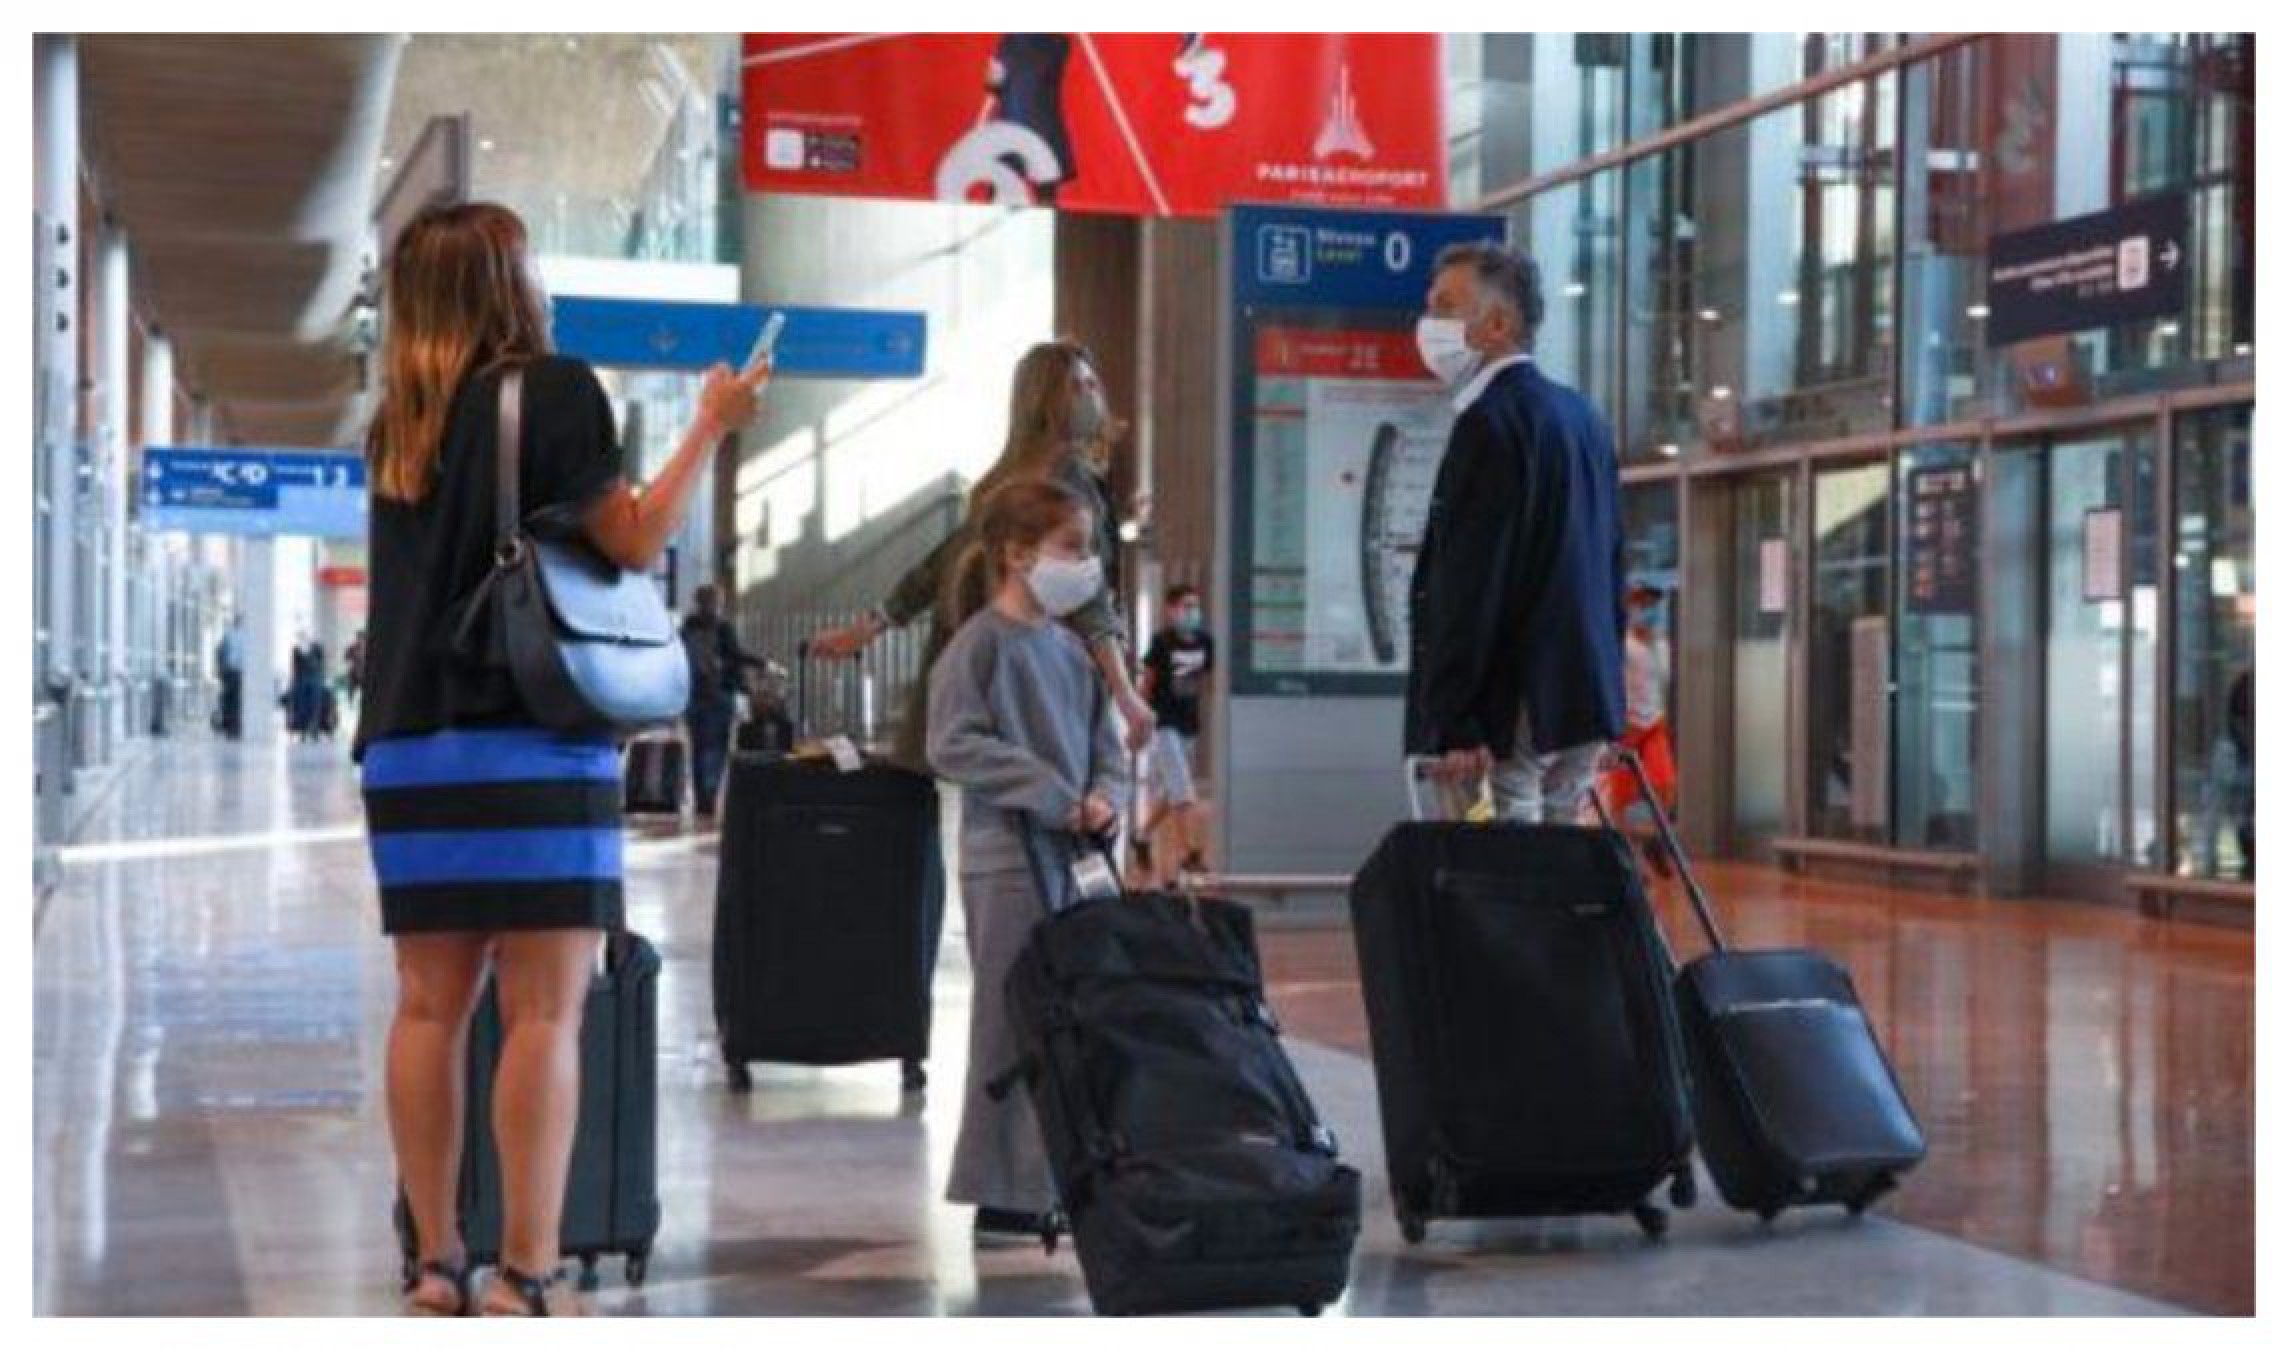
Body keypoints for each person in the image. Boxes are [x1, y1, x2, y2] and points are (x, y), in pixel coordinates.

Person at [355, 201, 766, 1316]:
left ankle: (436, 1262)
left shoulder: (398, 419)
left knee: (427, 1007)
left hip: (406, 742)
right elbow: (630, 538)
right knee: (544, 1010)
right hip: (532, 732)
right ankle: (524, 1275)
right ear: (509, 281)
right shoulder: (558, 390)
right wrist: (711, 424)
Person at [925, 479, 1125, 1245]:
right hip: (1006, 863)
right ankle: (1000, 1190)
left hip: (1074, 858)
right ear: (1016, 554)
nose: (1086, 564)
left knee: (1070, 1017)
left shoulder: (1070, 651)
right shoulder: (978, 646)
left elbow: (1107, 748)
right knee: (1009, 1023)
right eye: (1072, 547)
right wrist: (1052, 794)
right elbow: (954, 742)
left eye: (1088, 548)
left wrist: (1103, 795)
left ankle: (1057, 1175)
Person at [812, 340, 1155, 768]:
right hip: (1037, 672)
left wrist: (869, 628)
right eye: (1075, 386)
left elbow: (942, 567)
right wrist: (1124, 690)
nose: (1091, 396)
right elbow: (1089, 594)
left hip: (1010, 671)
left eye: (1092, 384)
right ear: (1044, 398)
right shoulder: (1061, 483)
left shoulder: (1008, 479)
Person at [1405, 241, 1625, 823]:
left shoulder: (1490, 424)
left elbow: (1471, 580)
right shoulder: (1584, 418)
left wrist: (1454, 716)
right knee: (1563, 856)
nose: (1429, 324)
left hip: (1517, 693)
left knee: (1508, 856)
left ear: (1498, 324)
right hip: (1584, 685)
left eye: (1446, 307)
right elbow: (1609, 561)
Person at [1596, 584, 1678, 875]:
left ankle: (1653, 838)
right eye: (1642, 602)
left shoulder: (1662, 645)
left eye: (1653, 603)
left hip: (1653, 723)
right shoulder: (1618, 642)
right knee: (1615, 798)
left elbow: (1661, 685)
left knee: (1666, 785)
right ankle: (1629, 859)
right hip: (1623, 727)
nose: (1649, 609)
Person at [1137, 584, 1214, 886]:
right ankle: (1190, 854)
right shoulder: (1161, 643)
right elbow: (1148, 682)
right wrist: (1141, 719)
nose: (1191, 612)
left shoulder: (1206, 641)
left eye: (1195, 605)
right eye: (1184, 606)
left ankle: (1141, 836)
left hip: (1189, 724)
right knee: (1183, 791)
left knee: (1171, 792)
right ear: (1170, 610)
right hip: (1164, 722)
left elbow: (1208, 679)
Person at [678, 583, 768, 816]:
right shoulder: (722, 627)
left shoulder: (686, 628)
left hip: (692, 696)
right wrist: (762, 665)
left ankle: (701, 800)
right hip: (718, 696)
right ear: (717, 602)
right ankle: (708, 800)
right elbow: (735, 656)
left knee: (698, 749)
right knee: (715, 749)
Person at [214, 616, 244, 739]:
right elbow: (220, 652)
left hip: (232, 671)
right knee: (233, 700)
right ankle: (232, 727)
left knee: (230, 700)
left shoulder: (229, 635)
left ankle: (231, 727)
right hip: (233, 672)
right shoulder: (233, 635)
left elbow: (219, 652)